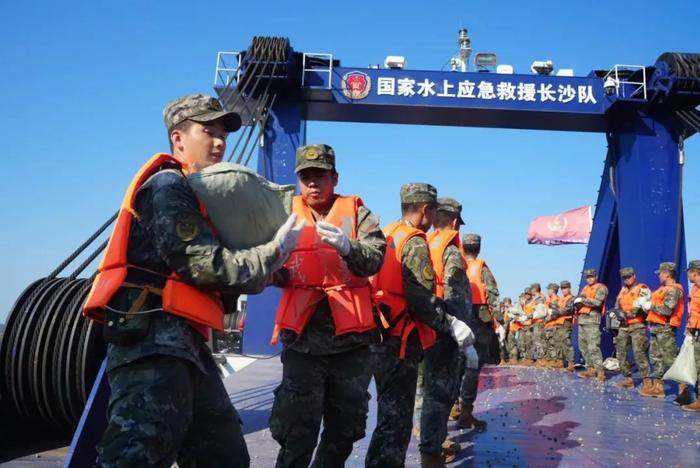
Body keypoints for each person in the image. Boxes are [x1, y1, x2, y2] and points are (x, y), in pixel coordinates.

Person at [83, 94, 304, 467]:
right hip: (152, 344)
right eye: (208, 132)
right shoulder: (168, 186)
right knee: (138, 454)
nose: (219, 142)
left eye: (223, 134)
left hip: (186, 346)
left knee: (223, 454)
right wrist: (273, 252)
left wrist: (274, 271)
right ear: (178, 138)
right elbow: (204, 266)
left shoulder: (196, 195)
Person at [268, 144, 387, 467]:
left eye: (319, 176)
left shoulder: (359, 215)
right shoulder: (283, 215)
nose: (312, 184)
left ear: (334, 178)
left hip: (350, 347)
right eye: (305, 178)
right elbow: (270, 272)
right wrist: (272, 263)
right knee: (296, 432)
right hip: (302, 345)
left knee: (343, 430)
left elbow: (375, 259)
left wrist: (349, 247)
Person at [367, 184, 471, 468]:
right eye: (433, 209)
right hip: (401, 340)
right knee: (396, 423)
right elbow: (420, 298)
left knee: (387, 416)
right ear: (426, 209)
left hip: (381, 333)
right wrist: (450, 324)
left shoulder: (387, 233)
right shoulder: (414, 241)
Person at [420, 197, 474, 466]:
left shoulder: (426, 244)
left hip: (429, 325)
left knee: (428, 389)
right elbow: (455, 294)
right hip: (446, 332)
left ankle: (430, 441)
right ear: (454, 221)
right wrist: (461, 332)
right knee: (440, 392)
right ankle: (433, 448)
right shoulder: (450, 251)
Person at [451, 233, 499, 430]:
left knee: (455, 365)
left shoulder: (456, 265)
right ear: (478, 249)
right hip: (478, 321)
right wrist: (500, 323)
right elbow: (493, 295)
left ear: (463, 247)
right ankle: (466, 412)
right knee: (472, 366)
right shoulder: (482, 268)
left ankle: (452, 407)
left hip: (458, 318)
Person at [639, 262, 684, 398]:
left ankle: (684, 389)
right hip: (656, 327)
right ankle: (658, 388)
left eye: (661, 273)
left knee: (670, 359)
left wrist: (650, 305)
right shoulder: (662, 289)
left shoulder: (674, 290)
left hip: (665, 328)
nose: (659, 276)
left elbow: (667, 309)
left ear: (667, 274)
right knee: (656, 358)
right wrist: (645, 302)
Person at [611, 267, 652, 392]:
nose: (627, 279)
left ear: (634, 275)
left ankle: (646, 380)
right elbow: (617, 305)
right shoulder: (623, 291)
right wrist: (615, 312)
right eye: (624, 278)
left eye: (629, 277)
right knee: (620, 350)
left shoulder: (643, 289)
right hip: (624, 325)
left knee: (639, 352)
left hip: (637, 325)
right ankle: (628, 379)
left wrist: (627, 314)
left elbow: (642, 307)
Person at [574, 268, 608, 381]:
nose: (590, 279)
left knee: (593, 347)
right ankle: (590, 369)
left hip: (592, 319)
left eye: (592, 276)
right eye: (588, 277)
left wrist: (582, 301)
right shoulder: (585, 288)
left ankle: (600, 371)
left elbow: (598, 302)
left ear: (596, 277)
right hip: (582, 320)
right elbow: (579, 300)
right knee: (583, 346)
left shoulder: (601, 288)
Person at [682, 260, 700, 411]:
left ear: (694, 272)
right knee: (697, 367)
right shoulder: (695, 289)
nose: (687, 275)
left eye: (688, 272)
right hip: (696, 333)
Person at [553, 280, 576, 372]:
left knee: (566, 343)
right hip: (558, 322)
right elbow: (555, 310)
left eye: (565, 288)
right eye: (562, 288)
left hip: (566, 322)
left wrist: (557, 311)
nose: (563, 290)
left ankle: (571, 363)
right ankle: (559, 362)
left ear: (569, 288)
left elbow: (568, 310)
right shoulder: (561, 299)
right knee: (558, 343)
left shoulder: (572, 298)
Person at [542, 283, 562, 368]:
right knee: (549, 343)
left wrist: (547, 318)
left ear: (552, 290)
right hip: (547, 324)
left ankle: (557, 361)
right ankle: (551, 360)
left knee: (553, 343)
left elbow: (555, 313)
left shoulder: (556, 299)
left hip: (553, 324)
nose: (547, 291)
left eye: (548, 289)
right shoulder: (549, 300)